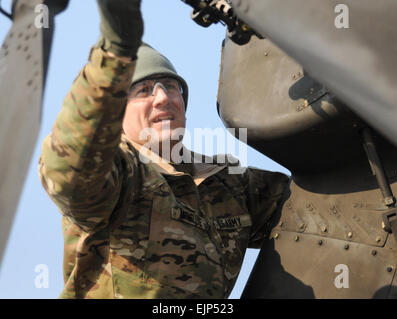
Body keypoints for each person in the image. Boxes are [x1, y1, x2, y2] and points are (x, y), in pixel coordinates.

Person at [38, 0, 289, 299]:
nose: (162, 98)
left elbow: (316, 210)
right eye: (144, 90)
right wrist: (116, 51)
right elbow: (67, 171)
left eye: (171, 87)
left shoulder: (228, 183)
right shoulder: (121, 174)